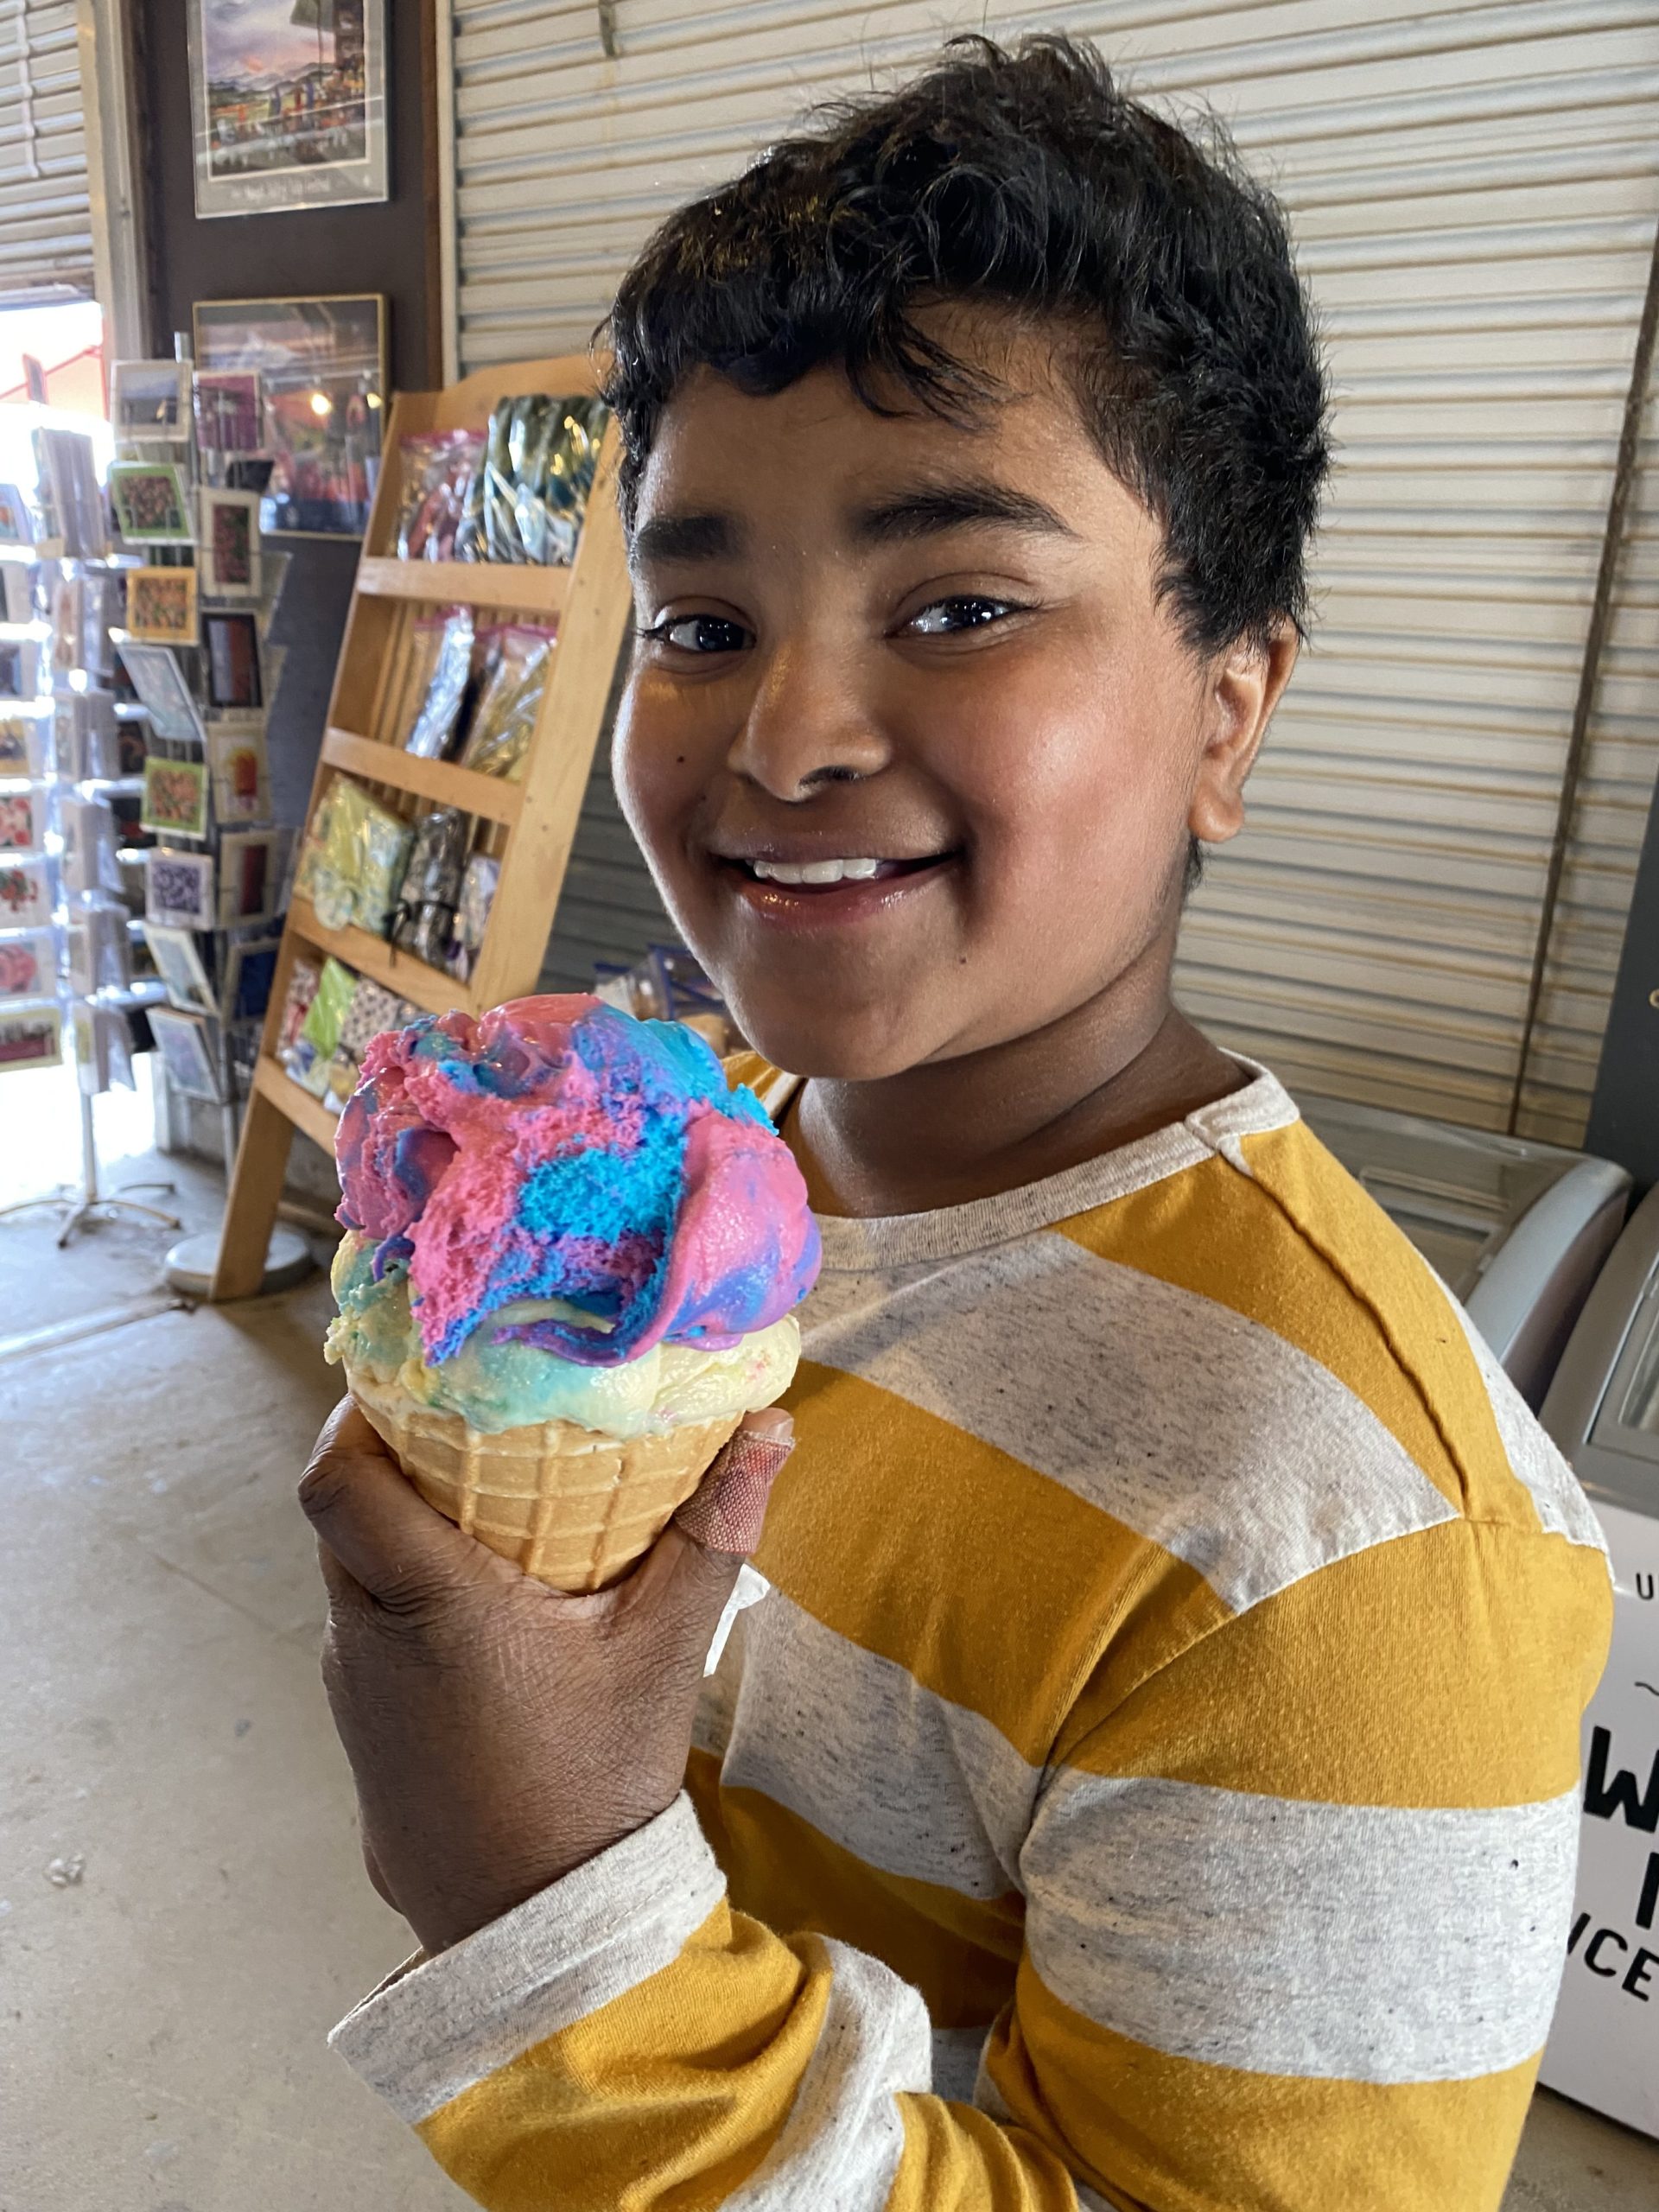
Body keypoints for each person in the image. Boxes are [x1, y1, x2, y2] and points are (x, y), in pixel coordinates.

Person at [300, 36, 1611, 2211]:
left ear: (1229, 707)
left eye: (962, 604)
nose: (787, 730)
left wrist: (544, 1916)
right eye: (703, 621)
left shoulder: (1359, 1555)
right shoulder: (716, 1152)